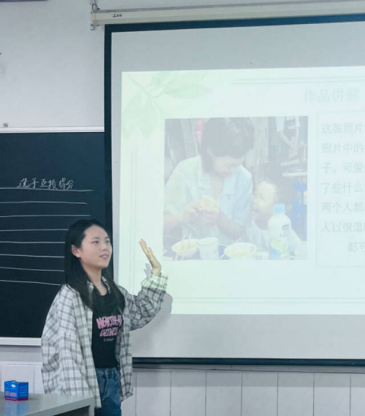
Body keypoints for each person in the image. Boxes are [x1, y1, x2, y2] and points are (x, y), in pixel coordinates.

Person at [41, 219, 167, 416]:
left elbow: (140, 312)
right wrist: (78, 401)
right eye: (96, 242)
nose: (104, 247)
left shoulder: (115, 292)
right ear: (76, 250)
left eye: (107, 241)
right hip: (84, 381)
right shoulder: (70, 295)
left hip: (111, 378)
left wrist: (156, 274)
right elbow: (68, 354)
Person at [164, 117, 255, 247]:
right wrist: (181, 217)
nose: (233, 171)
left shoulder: (244, 178)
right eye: (229, 165)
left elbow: (239, 232)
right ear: (211, 150)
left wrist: (219, 218)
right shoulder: (185, 171)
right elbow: (158, 222)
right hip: (194, 254)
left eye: (238, 165)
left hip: (231, 253)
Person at [246, 175, 302, 256]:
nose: (254, 200)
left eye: (261, 198)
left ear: (275, 208)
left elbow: (299, 250)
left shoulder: (283, 229)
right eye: (255, 194)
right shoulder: (247, 227)